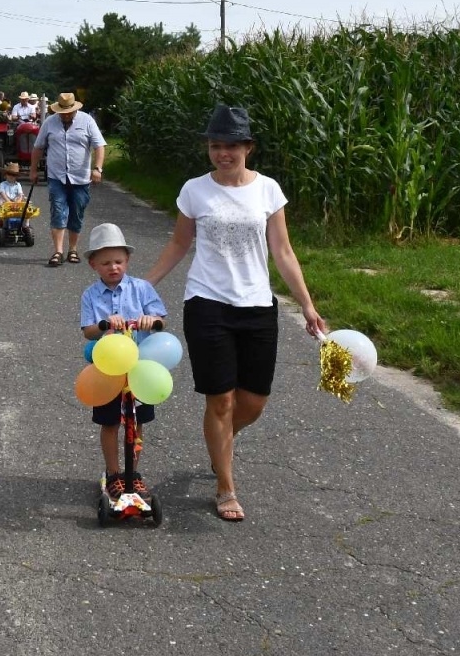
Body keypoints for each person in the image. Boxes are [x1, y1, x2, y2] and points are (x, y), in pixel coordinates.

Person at [144, 105, 327, 523]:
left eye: (231, 146)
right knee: (221, 400)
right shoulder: (194, 190)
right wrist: (145, 284)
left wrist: (307, 304)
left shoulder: (268, 190)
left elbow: (283, 251)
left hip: (258, 305)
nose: (222, 153)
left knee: (254, 401)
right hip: (207, 303)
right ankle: (225, 486)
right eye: (215, 146)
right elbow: (179, 244)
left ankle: (220, 441)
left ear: (248, 148)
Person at [80, 223, 168, 498]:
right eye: (106, 263)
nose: (113, 267)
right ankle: (113, 472)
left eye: (118, 261)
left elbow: (160, 320)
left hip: (139, 368)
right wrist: (104, 324)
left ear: (127, 260)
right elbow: (88, 331)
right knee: (110, 422)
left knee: (137, 420)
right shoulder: (90, 295)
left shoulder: (142, 288)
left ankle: (133, 473)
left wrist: (150, 320)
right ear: (94, 264)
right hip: (108, 368)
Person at [29, 92, 107, 267]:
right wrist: (33, 170)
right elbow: (38, 147)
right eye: (62, 112)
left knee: (77, 212)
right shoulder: (50, 122)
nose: (64, 115)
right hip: (56, 176)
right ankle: (58, 251)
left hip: (80, 177)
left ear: (74, 109)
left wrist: (97, 168)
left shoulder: (87, 121)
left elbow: (99, 146)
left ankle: (73, 249)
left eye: (68, 112)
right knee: (58, 211)